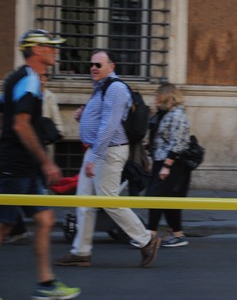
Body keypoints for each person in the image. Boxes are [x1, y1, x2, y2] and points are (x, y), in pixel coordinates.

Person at [55, 50, 160, 268]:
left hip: (108, 153)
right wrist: (84, 117)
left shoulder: (116, 88)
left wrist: (94, 156)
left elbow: (110, 126)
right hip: (97, 151)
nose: (93, 68)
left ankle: (146, 238)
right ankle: (81, 252)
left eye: (98, 64)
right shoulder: (101, 87)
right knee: (84, 203)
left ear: (111, 66)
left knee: (108, 200)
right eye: (91, 64)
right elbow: (103, 119)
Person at [0, 29, 81, 299]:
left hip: (26, 164)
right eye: (51, 47)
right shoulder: (29, 80)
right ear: (36, 50)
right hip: (16, 164)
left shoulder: (19, 78)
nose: (55, 51)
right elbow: (21, 125)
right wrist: (46, 162)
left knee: (45, 220)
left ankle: (45, 283)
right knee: (3, 226)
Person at [5, 72, 64, 245]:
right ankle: (19, 229)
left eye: (45, 76)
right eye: (39, 76)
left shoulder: (49, 97)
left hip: (39, 154)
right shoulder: (21, 92)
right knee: (18, 197)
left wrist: (42, 138)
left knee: (37, 208)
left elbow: (58, 126)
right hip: (20, 155)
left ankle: (18, 228)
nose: (41, 79)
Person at [144, 83, 192, 248]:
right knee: (167, 200)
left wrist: (166, 166)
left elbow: (177, 143)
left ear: (167, 98)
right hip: (162, 161)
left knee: (155, 197)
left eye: (158, 99)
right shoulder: (165, 114)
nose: (155, 102)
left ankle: (150, 235)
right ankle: (177, 234)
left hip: (172, 164)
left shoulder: (177, 115)